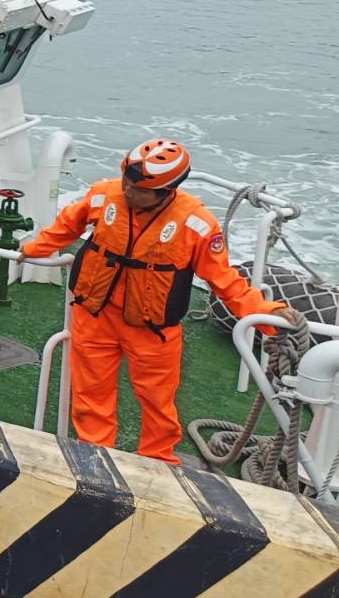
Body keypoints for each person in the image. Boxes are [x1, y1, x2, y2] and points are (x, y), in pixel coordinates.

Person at [18, 138, 301, 463]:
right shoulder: (102, 194)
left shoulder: (196, 223)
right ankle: (95, 456)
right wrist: (34, 249)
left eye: (139, 189)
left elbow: (226, 282)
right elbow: (68, 224)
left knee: (158, 404)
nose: (128, 191)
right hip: (94, 315)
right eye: (126, 181)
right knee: (90, 396)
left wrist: (267, 315)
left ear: (167, 190)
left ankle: (158, 462)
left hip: (152, 330)